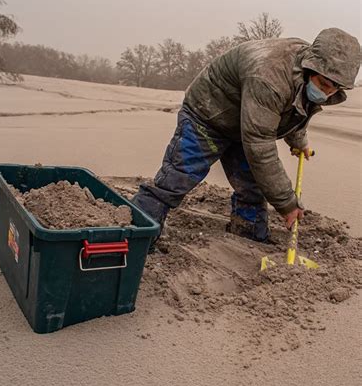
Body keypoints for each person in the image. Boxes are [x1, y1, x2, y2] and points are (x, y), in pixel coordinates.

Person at [132, 28, 360, 246]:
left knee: (253, 186)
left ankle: (248, 236)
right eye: (324, 85)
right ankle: (136, 233)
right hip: (208, 114)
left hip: (245, 123)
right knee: (178, 176)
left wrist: (298, 141)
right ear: (310, 67)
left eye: (334, 89)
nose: (327, 93)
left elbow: (295, 109)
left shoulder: (306, 77)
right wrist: (287, 203)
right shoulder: (270, 76)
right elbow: (260, 145)